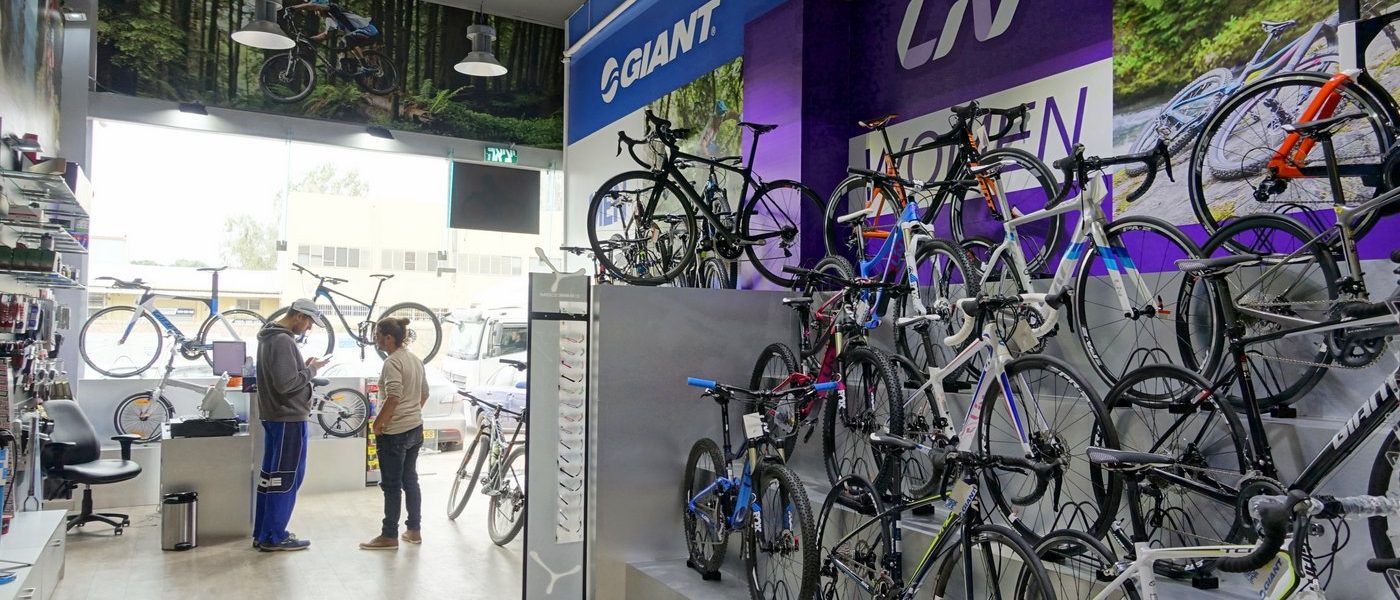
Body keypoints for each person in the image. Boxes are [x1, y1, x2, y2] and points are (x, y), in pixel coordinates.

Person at [253, 299, 329, 552]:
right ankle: (274, 536)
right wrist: (312, 370)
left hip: (275, 416)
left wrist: (303, 368)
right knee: (285, 478)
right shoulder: (283, 340)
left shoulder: (268, 337)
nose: (309, 328)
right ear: (299, 316)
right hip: (288, 418)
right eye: (309, 322)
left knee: (271, 477)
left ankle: (264, 532)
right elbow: (286, 384)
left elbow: (282, 377)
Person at [360, 317, 429, 550]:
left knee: (391, 485)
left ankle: (389, 535)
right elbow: (424, 393)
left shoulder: (392, 362)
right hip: (415, 428)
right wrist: (411, 413)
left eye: (377, 335)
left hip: (395, 433)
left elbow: (393, 396)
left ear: (388, 338)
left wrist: (377, 424)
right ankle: (414, 531)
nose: (375, 339)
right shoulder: (415, 360)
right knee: (410, 480)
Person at [292, 0, 380, 61]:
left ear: (320, 7)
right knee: (341, 47)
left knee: (347, 39)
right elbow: (325, 36)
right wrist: (308, 39)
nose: (316, 13)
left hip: (370, 31)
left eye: (316, 10)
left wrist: (293, 8)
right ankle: (349, 69)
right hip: (362, 35)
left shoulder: (333, 8)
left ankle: (365, 66)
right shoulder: (330, 20)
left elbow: (313, 6)